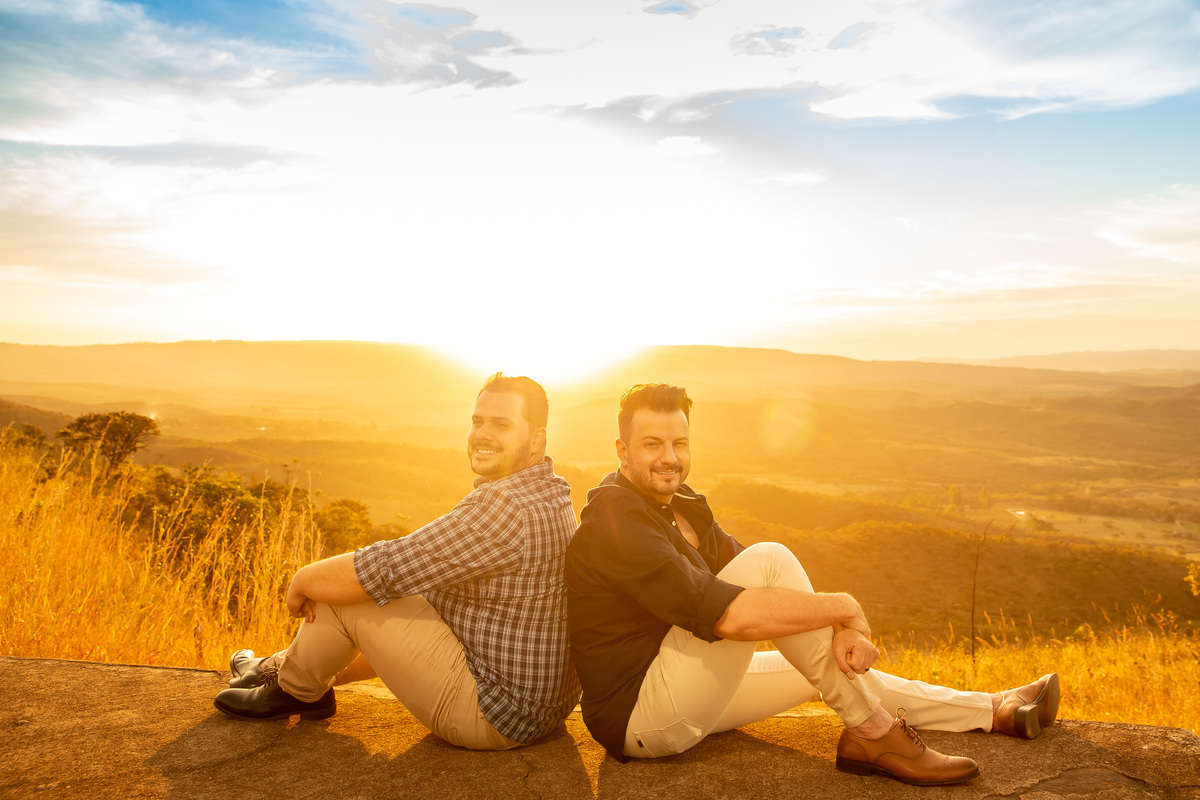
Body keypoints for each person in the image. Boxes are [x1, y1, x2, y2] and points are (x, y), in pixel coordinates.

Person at [566, 383, 1060, 784]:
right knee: (772, 558)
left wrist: (837, 629)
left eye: (679, 443)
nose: (669, 457)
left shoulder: (683, 505)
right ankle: (872, 731)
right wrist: (843, 607)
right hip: (643, 716)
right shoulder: (615, 522)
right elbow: (732, 611)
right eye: (652, 444)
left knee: (823, 665)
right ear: (622, 451)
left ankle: (995, 710)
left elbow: (767, 592)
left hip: (684, 688)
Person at [214, 373, 581, 750]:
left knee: (345, 590)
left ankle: (294, 688)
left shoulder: (505, 508)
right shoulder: (549, 490)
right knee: (385, 591)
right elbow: (421, 603)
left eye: (501, 424)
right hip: (537, 706)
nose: (482, 433)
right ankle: (281, 672)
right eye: (477, 421)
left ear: (536, 440)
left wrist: (301, 581)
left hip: (496, 713)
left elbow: (382, 569)